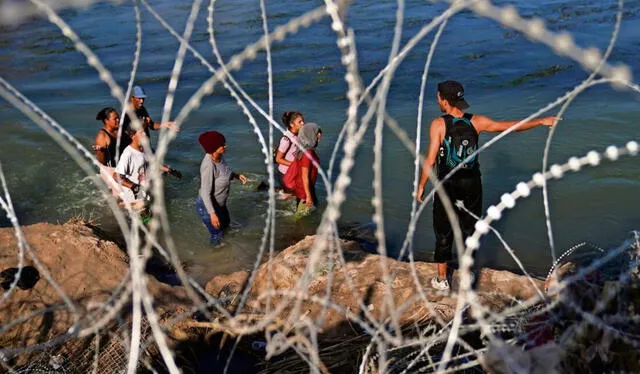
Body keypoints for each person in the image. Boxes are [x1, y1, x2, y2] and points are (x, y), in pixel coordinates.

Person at [416, 80, 559, 291]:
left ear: (443, 100)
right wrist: (541, 121)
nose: (437, 100)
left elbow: (430, 159)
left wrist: (421, 186)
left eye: (438, 97)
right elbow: (510, 127)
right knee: (470, 230)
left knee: (443, 230)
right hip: (472, 184)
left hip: (448, 185)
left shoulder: (438, 124)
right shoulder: (477, 122)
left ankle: (442, 279)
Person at [196, 131, 247, 245]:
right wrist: (212, 214)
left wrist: (236, 175)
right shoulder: (208, 166)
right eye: (222, 145)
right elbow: (205, 193)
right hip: (207, 206)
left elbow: (223, 172)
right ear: (213, 148)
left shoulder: (219, 156)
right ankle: (216, 257)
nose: (225, 146)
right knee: (217, 234)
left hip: (220, 204)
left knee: (226, 224)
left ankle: (228, 246)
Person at [113, 126, 182, 207]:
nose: (145, 134)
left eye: (145, 131)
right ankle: (121, 205)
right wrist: (133, 186)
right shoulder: (128, 154)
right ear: (133, 136)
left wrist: (170, 170)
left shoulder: (145, 148)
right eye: (141, 132)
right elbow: (116, 176)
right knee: (142, 216)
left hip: (144, 190)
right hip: (133, 195)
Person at [119, 85, 177, 155]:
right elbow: (131, 135)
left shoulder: (142, 109)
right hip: (136, 151)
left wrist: (165, 125)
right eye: (139, 98)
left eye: (143, 98)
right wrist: (144, 124)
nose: (141, 101)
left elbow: (151, 125)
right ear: (132, 98)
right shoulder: (127, 114)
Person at [292, 123, 322, 217]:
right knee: (300, 217)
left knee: (305, 214)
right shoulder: (307, 153)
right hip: (305, 190)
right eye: (318, 134)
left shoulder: (304, 149)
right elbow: (304, 176)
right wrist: (308, 196)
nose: (320, 137)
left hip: (305, 188)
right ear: (311, 135)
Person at [275, 111, 304, 187]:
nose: (303, 123)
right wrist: (295, 165)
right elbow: (278, 159)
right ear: (292, 124)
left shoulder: (299, 134)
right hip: (285, 174)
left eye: (303, 120)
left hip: (294, 172)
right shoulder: (286, 140)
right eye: (300, 122)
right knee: (289, 196)